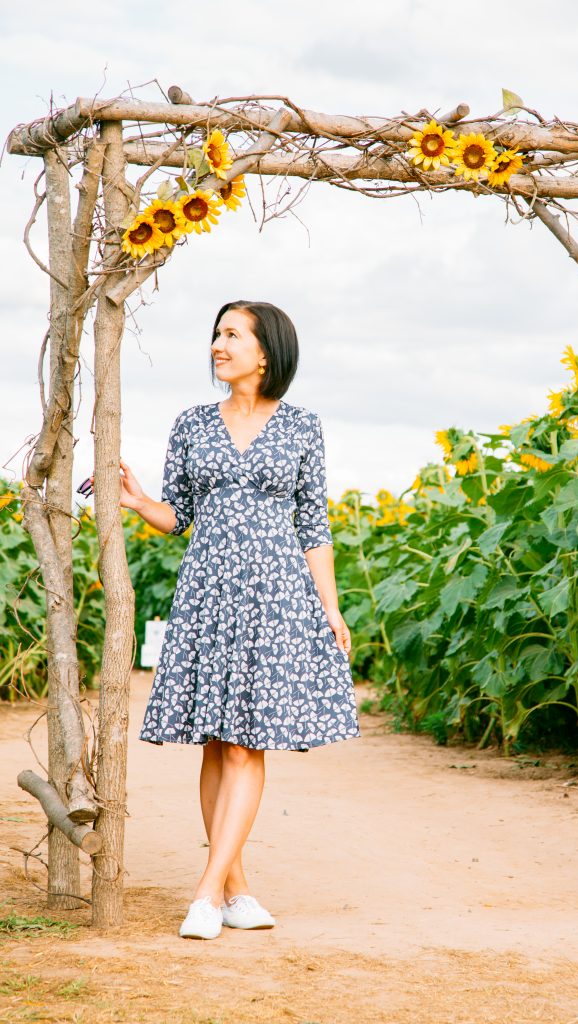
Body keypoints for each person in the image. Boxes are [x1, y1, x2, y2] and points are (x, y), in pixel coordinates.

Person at [119, 300, 361, 939]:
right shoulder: (193, 423)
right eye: (216, 334)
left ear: (266, 351)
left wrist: (330, 609)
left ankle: (204, 894)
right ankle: (236, 889)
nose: (218, 345)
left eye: (232, 335)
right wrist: (139, 500)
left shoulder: (302, 426)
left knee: (249, 741)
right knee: (218, 743)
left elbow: (314, 527)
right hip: (207, 593)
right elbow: (179, 516)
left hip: (276, 595)